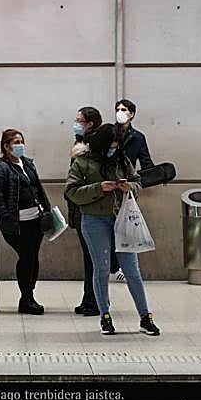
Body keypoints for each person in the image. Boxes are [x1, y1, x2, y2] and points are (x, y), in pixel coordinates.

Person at [66, 123, 160, 337]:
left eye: (117, 146)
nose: (113, 149)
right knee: (101, 268)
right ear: (101, 145)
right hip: (93, 220)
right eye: (110, 146)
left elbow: (137, 181)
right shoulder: (82, 162)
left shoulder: (121, 160)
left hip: (122, 220)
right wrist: (99, 188)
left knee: (132, 270)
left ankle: (145, 317)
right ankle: (105, 316)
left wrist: (131, 187)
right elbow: (71, 192)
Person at [0, 128, 53, 315]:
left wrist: (46, 209)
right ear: (6, 146)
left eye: (21, 141)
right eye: (16, 142)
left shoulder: (27, 163)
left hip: (36, 220)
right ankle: (26, 299)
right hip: (17, 224)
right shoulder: (1, 168)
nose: (20, 145)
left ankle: (29, 296)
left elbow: (38, 188)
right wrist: (6, 218)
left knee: (33, 258)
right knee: (26, 258)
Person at [67, 106, 104, 315]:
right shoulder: (79, 143)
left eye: (79, 120)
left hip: (91, 208)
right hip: (81, 207)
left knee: (93, 258)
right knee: (89, 257)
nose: (76, 123)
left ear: (90, 123)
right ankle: (89, 297)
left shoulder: (94, 146)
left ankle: (95, 300)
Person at [112, 99, 153, 282]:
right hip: (109, 186)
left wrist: (156, 175)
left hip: (126, 189)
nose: (120, 112)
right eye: (118, 109)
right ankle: (113, 266)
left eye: (124, 110)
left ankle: (123, 266)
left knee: (126, 227)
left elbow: (146, 162)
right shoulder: (108, 133)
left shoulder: (137, 137)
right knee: (109, 227)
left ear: (132, 114)